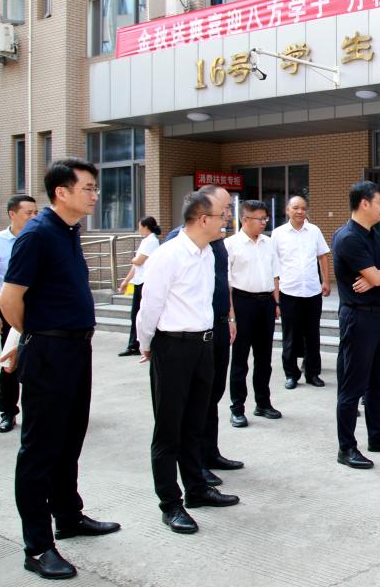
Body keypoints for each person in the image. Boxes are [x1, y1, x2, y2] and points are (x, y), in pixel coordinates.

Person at [0, 159, 120, 580]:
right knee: (40, 449)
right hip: (49, 351)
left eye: (95, 188)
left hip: (75, 349)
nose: (95, 195)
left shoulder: (69, 231)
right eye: (88, 188)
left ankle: (68, 515)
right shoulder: (37, 234)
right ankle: (37, 546)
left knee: (70, 438)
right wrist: (34, 335)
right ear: (61, 192)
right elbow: (9, 299)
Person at [137, 190, 241, 535]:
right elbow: (149, 306)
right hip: (172, 347)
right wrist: (147, 344)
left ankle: (197, 489)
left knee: (195, 423)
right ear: (203, 219)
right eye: (222, 215)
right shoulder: (168, 255)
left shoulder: (208, 253)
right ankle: (170, 504)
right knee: (169, 429)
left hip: (203, 345)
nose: (226, 219)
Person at [164, 185, 244, 486]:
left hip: (219, 326)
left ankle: (210, 452)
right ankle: (194, 463)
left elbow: (224, 281)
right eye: (223, 208)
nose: (227, 214)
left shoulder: (217, 241)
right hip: (193, 333)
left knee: (213, 394)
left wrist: (231, 316)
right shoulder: (180, 241)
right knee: (195, 401)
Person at [331, 180, 380, 469]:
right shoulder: (348, 238)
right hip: (358, 318)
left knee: (379, 383)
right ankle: (346, 448)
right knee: (352, 387)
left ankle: (377, 437)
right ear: (364, 203)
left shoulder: (373, 234)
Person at [0, 194, 38, 433]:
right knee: (10, 363)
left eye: (36, 212)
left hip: (40, 310)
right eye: (28, 213)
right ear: (12, 214)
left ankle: (43, 411)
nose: (34, 216)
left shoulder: (40, 239)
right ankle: (8, 412)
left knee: (43, 361)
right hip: (10, 311)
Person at [225, 200, 281, 427]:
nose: (264, 223)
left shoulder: (269, 243)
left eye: (266, 218)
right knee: (240, 359)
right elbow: (227, 285)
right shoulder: (230, 245)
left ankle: (263, 403)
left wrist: (276, 303)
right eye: (260, 219)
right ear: (245, 219)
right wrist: (231, 316)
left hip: (266, 302)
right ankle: (237, 408)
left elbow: (275, 275)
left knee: (264, 358)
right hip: (242, 303)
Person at [272, 195, 331, 390]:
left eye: (303, 208)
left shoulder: (314, 231)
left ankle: (313, 373)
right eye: (296, 207)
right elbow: (273, 265)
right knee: (290, 335)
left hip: (312, 291)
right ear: (287, 210)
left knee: (313, 335)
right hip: (289, 292)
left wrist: (325, 281)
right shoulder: (278, 234)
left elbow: (323, 256)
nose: (300, 211)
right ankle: (291, 374)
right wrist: (276, 294)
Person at [117, 216, 161, 357]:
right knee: (135, 314)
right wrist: (126, 281)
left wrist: (134, 259)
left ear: (146, 226)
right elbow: (136, 266)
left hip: (145, 282)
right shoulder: (146, 241)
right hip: (138, 281)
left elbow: (139, 261)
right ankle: (134, 344)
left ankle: (136, 345)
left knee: (139, 314)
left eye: (140, 226)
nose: (139, 228)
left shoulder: (152, 241)